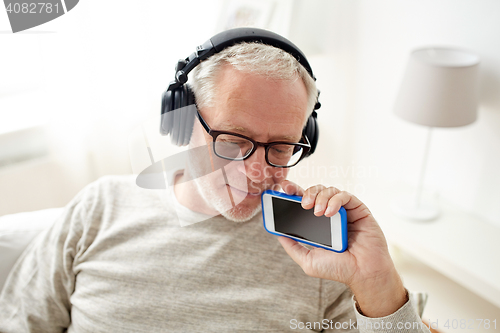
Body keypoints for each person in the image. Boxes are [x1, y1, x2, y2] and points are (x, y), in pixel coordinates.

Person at [0, 29, 430, 332]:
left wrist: (375, 281)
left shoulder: (322, 252)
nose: (257, 170)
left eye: (281, 146)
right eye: (233, 139)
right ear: (181, 122)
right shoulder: (99, 207)